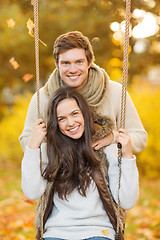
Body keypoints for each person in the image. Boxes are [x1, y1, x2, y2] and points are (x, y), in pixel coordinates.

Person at [21, 87, 139, 240]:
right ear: (55, 123)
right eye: (61, 118)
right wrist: (32, 147)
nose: (70, 123)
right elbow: (31, 193)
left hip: (99, 231)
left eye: (75, 114)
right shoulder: (49, 150)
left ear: (85, 113)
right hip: (56, 232)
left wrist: (127, 156)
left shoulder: (106, 149)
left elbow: (127, 201)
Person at [19, 31, 147, 153]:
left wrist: (112, 138)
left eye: (79, 62)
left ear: (90, 62)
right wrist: (48, 141)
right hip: (61, 173)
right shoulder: (43, 98)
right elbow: (26, 142)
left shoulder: (115, 92)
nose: (73, 69)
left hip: (107, 174)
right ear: (57, 65)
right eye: (66, 63)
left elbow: (140, 138)